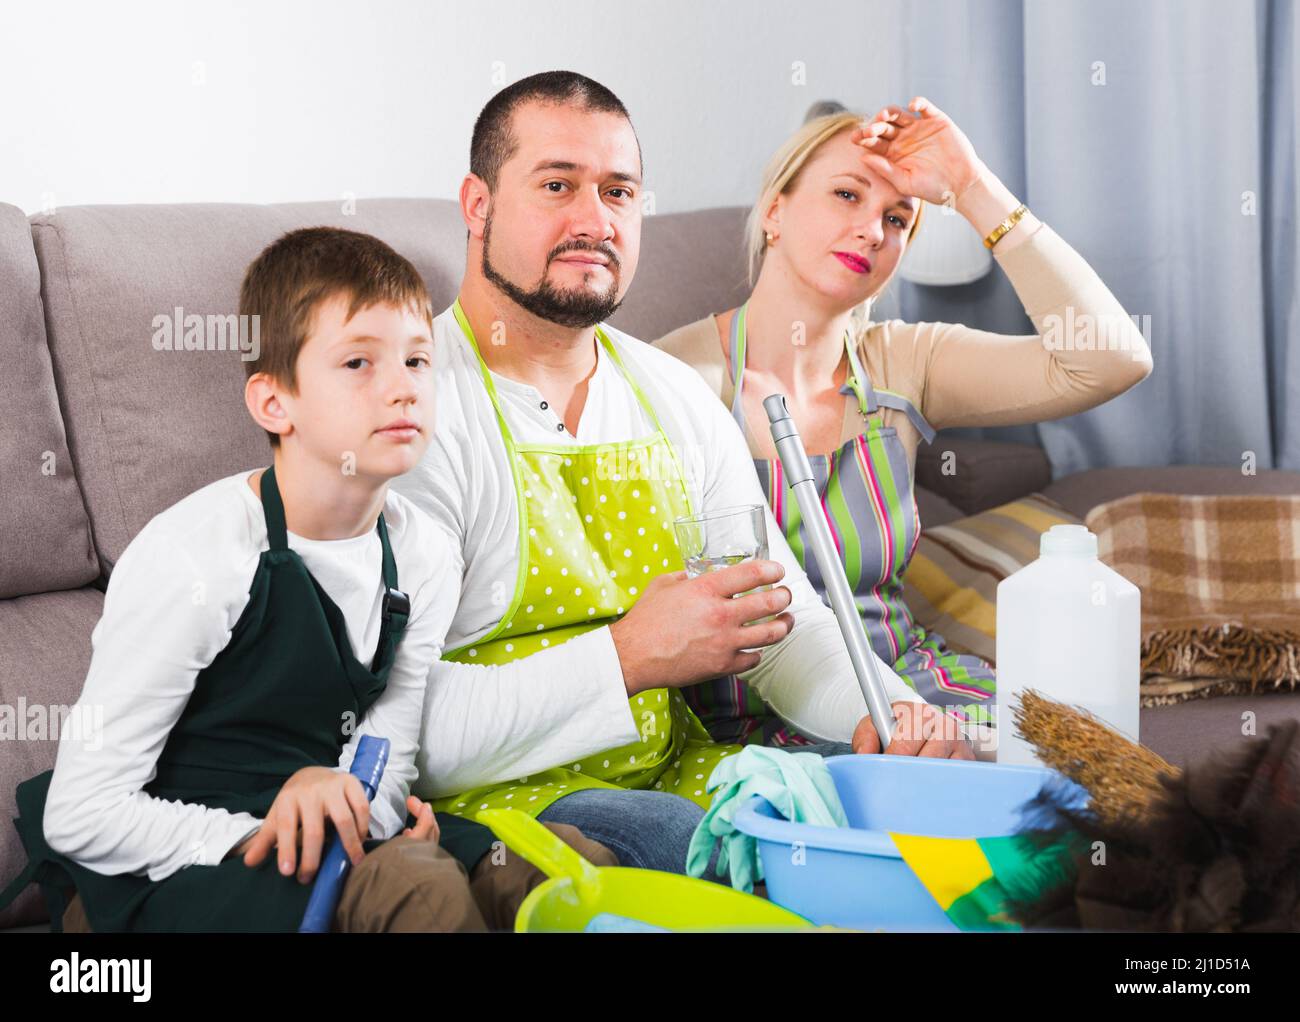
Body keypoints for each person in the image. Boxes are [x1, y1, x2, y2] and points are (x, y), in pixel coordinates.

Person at [392, 72, 975, 882]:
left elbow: (785, 628)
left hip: (677, 782)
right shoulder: (406, 410)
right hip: (497, 813)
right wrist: (628, 655)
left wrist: (889, 715)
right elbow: (396, 734)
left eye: (619, 192)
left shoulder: (671, 396)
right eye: (557, 185)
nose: (594, 221)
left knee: (908, 843)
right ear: (478, 205)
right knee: (688, 843)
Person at [0, 227, 615, 933]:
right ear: (273, 403)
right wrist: (264, 835)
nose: (402, 389)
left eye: (417, 360)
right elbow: (83, 815)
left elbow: (386, 751)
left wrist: (369, 826)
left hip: (328, 825)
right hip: (164, 865)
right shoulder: (197, 555)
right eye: (358, 362)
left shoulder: (426, 556)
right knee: (418, 890)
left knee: (560, 864)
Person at [655, 99, 1154, 749]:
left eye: (897, 219)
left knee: (1082, 785)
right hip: (744, 726)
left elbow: (1111, 360)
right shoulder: (668, 379)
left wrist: (972, 189)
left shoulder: (904, 361)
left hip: (913, 692)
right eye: (846, 195)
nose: (871, 230)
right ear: (774, 211)